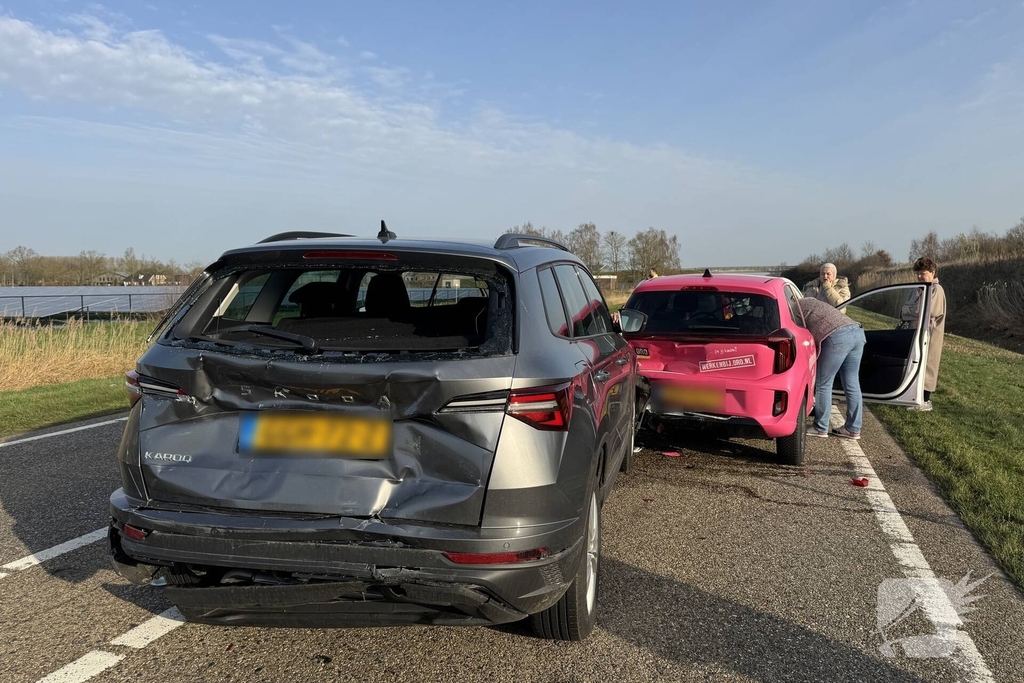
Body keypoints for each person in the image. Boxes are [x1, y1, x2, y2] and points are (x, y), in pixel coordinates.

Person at [798, 297, 866, 439]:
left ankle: (820, 427)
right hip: (857, 332)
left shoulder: (794, 309)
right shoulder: (812, 302)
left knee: (824, 383)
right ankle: (853, 428)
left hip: (837, 336)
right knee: (852, 382)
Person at [900, 257, 946, 412]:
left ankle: (925, 401)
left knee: (928, 365)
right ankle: (913, 397)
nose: (919, 276)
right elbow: (905, 309)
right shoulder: (916, 289)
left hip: (929, 334)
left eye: (923, 273)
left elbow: (927, 310)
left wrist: (908, 310)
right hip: (915, 332)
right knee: (915, 363)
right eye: (918, 273)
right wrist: (908, 311)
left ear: (932, 272)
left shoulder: (936, 290)